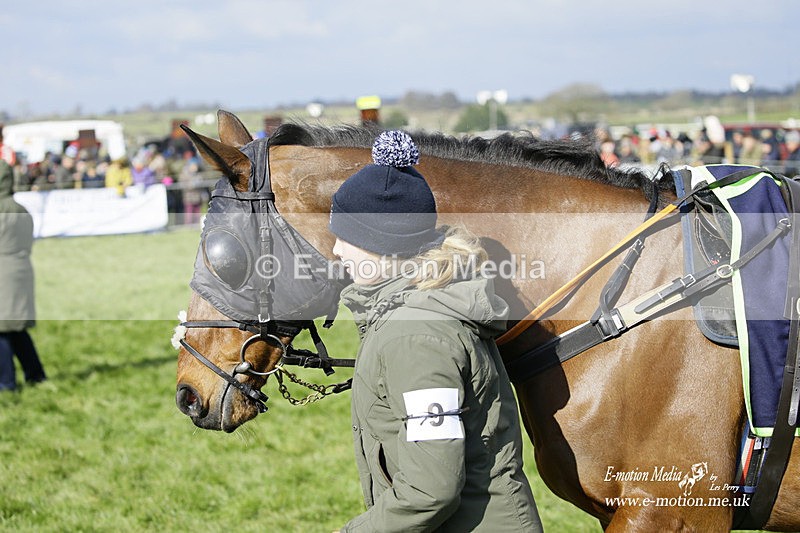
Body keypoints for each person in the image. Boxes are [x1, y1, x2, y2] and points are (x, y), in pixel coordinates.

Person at [329, 131, 542, 532]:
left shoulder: (415, 337)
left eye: (346, 237)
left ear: (381, 245)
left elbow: (431, 490)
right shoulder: (411, 313)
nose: (336, 249)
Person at [0, 160, 46, 391]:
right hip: (21, 270)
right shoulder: (20, 209)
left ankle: (6, 383)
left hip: (3, 274)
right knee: (16, 328)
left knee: (3, 330)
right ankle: (36, 375)